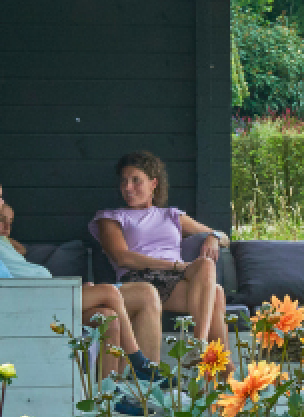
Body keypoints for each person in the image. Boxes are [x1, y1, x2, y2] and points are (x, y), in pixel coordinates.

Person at [0, 170, 164, 377]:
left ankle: (110, 397)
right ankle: (137, 359)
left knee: (106, 315)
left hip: (36, 296)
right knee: (109, 291)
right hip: (31, 302)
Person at [91, 150, 230, 351]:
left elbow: (224, 236)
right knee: (215, 293)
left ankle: (201, 347)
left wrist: (214, 237)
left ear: (153, 183)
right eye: (124, 181)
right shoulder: (111, 217)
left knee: (208, 268)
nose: (128, 188)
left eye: (136, 180)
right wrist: (174, 266)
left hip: (174, 279)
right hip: (139, 280)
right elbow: (122, 257)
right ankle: (213, 360)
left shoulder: (171, 215)